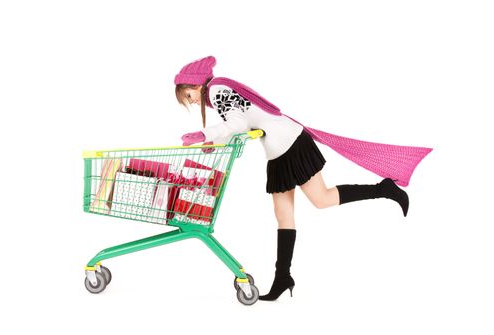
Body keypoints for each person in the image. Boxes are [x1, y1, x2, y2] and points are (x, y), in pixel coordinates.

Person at [173, 56, 431, 301]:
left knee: (322, 199)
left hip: (290, 144)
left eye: (189, 96)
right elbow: (238, 121)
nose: (192, 102)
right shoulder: (219, 90)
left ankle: (384, 189)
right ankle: (282, 277)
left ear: (197, 84)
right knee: (283, 214)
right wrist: (212, 141)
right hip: (278, 149)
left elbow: (237, 123)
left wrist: (203, 134)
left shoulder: (217, 90)